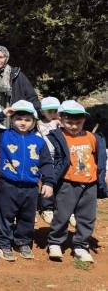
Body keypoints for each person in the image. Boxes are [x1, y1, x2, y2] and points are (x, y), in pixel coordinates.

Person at [0, 100, 55, 261]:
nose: (23, 123)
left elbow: (46, 163)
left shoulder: (39, 141)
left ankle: (23, 241)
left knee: (27, 217)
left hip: (31, 187)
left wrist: (49, 182)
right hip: (8, 184)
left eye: (28, 120)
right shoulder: (4, 135)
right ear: (12, 119)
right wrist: (1, 114)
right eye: (18, 119)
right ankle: (3, 243)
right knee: (5, 215)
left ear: (34, 121)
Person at [47, 100, 107, 263]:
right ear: (61, 119)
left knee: (87, 216)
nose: (74, 126)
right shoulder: (57, 137)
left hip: (90, 183)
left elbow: (99, 158)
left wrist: (102, 174)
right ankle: (55, 242)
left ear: (84, 121)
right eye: (69, 122)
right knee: (62, 214)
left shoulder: (92, 137)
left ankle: (81, 245)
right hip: (68, 182)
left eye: (78, 123)